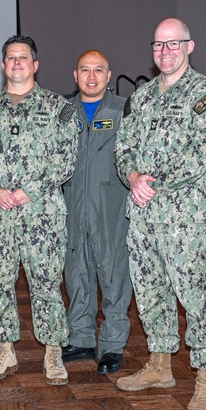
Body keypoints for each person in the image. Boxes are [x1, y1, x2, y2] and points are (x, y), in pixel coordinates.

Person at [113, 17, 206, 410]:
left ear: (189, 46)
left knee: (193, 295)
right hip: (143, 214)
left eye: (173, 44)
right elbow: (123, 147)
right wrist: (132, 176)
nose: (165, 52)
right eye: (158, 45)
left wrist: (152, 183)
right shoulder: (143, 97)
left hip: (186, 216)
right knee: (149, 291)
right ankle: (160, 365)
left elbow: (201, 155)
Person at [0, 35, 78, 386]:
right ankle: (4, 349)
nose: (17, 63)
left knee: (46, 282)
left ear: (35, 65)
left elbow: (65, 159)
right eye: (11, 58)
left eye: (23, 58)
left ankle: (53, 352)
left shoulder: (59, 107)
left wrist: (27, 191)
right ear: (3, 66)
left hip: (41, 213)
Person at [60, 50, 133, 375]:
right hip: (72, 207)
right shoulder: (62, 112)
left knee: (114, 277)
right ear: (75, 76)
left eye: (99, 70)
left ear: (109, 75)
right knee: (76, 274)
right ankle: (81, 339)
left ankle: (112, 346)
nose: (92, 76)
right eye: (85, 70)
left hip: (111, 209)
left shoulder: (124, 111)